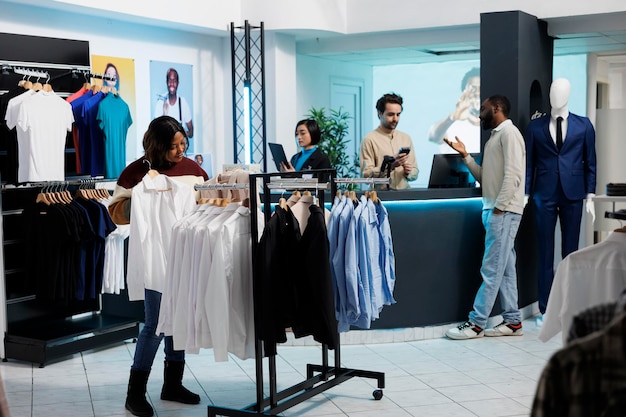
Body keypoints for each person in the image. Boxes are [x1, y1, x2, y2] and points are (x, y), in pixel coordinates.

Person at [108, 116, 208, 417]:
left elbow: (206, 205)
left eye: (183, 144)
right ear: (157, 146)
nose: (180, 151)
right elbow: (116, 213)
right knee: (154, 325)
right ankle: (134, 393)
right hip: (156, 255)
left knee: (179, 319)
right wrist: (145, 199)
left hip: (185, 255)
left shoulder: (194, 171)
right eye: (173, 147)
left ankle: (172, 385)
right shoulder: (136, 173)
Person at [443, 94, 526, 340]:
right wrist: (465, 155)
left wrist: (500, 208)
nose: (479, 113)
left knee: (491, 269)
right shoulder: (495, 137)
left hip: (503, 212)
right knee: (505, 269)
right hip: (496, 210)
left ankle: (477, 323)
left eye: (483, 108)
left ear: (497, 108)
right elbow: (485, 177)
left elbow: (514, 175)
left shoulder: (509, 134)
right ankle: (513, 322)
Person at [524, 78, 597, 322]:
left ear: (569, 94)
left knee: (570, 253)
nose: (557, 95)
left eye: (561, 91)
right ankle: (546, 308)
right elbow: (529, 164)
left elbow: (591, 162)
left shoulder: (584, 125)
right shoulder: (535, 127)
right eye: (554, 91)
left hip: (573, 193)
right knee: (545, 253)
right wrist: (525, 193)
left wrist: (590, 195)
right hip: (543, 193)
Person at [360, 93, 418, 189]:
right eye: (390, 114)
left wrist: (409, 171)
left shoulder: (406, 138)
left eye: (398, 114)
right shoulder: (369, 140)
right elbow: (366, 176)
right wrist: (389, 166)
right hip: (381, 198)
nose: (395, 119)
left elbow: (415, 173)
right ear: (380, 113)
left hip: (405, 195)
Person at [428, 67, 481, 154]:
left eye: (481, 88)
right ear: (464, 92)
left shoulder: (497, 125)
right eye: (473, 89)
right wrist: (452, 118)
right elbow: (433, 136)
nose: (477, 93)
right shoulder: (453, 123)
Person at [154, 68, 194, 139]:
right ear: (166, 82)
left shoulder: (183, 103)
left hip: (179, 149)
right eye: (170, 80)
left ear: (178, 83)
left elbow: (191, 133)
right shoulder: (160, 103)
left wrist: (183, 134)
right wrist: (164, 115)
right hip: (164, 149)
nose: (172, 83)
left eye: (174, 80)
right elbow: (155, 133)